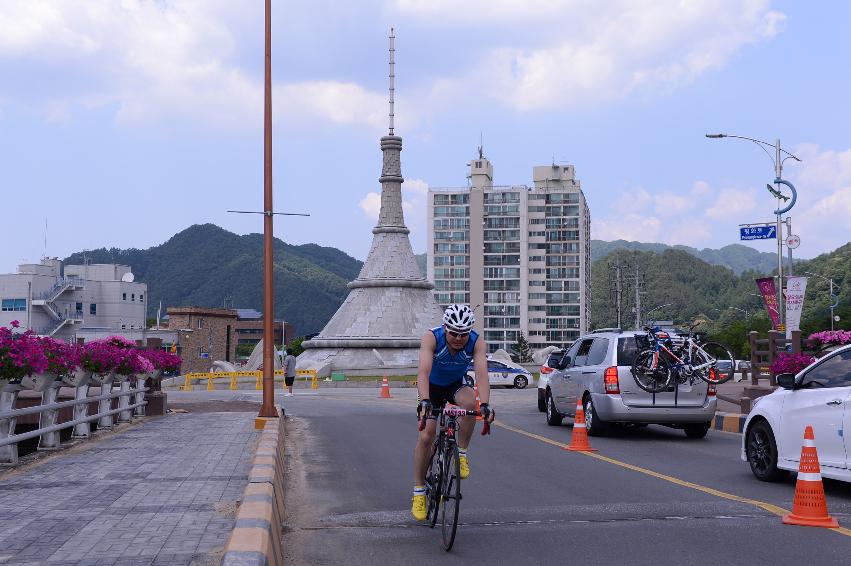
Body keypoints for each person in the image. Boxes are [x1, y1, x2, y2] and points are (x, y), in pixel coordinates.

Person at [411, 304, 494, 521]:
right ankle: (419, 491)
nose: (459, 338)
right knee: (427, 435)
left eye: (463, 334)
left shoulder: (476, 342)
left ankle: (462, 453)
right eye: (454, 333)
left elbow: (482, 375)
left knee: (471, 403)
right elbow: (423, 371)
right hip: (430, 388)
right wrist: (426, 400)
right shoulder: (432, 338)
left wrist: (485, 404)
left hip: (454, 385)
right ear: (445, 328)